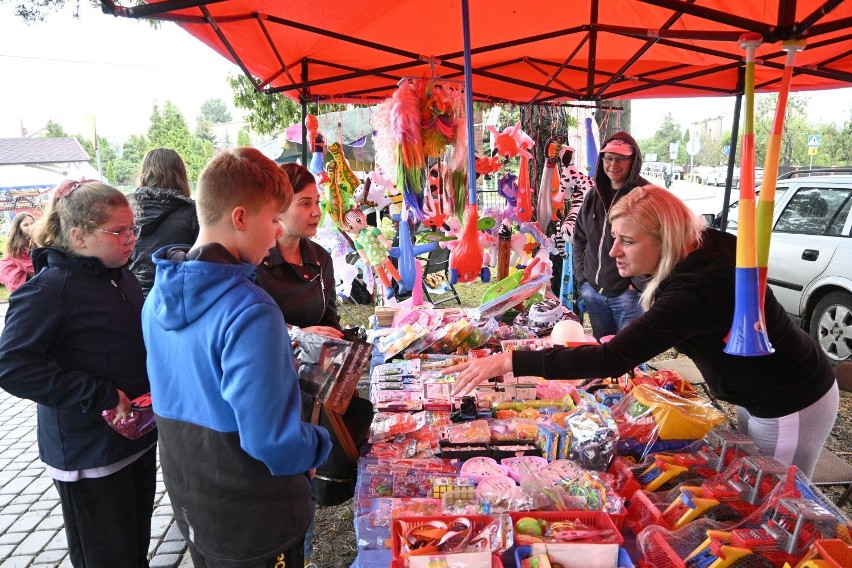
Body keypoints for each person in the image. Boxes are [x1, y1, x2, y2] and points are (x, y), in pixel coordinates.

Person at [447, 185, 838, 479]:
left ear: (665, 239)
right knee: (756, 477)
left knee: (773, 494)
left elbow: (611, 359)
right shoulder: (697, 251)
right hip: (754, 392)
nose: (614, 251)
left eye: (627, 241)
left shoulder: (697, 288)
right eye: (614, 238)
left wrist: (510, 360)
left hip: (791, 397)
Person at [142, 147, 332, 568]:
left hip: (195, 499)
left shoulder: (157, 296)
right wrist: (318, 446)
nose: (276, 232)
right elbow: (273, 441)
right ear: (240, 218)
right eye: (273, 219)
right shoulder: (250, 309)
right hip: (257, 512)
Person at [0, 180, 156, 568]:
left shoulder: (119, 274)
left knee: (135, 549)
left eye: (132, 228)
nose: (129, 239)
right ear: (78, 237)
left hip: (135, 438)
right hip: (90, 454)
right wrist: (98, 393)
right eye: (117, 231)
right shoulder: (48, 290)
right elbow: (11, 366)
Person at [573, 131, 649, 340]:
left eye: (621, 158)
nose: (614, 164)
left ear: (633, 161)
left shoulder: (645, 195)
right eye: (609, 158)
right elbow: (579, 238)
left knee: (631, 357)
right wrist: (583, 280)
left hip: (628, 296)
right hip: (593, 293)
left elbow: (662, 244)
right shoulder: (593, 194)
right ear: (602, 160)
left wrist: (637, 284)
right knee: (603, 355)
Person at [256, 162, 342, 339]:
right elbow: (250, 331)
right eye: (305, 204)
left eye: (317, 202)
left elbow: (329, 318)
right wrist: (297, 336)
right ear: (277, 208)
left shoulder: (321, 259)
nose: (317, 212)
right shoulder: (254, 261)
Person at [128, 148, 200, 297]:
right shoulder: (194, 213)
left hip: (135, 297)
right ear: (180, 175)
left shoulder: (126, 211)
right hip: (179, 299)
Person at [0, 211, 36, 292]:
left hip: (22, 270)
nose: (31, 226)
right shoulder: (16, 244)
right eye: (25, 225)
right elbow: (29, 267)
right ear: (18, 228)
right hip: (14, 274)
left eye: (32, 223)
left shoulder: (31, 237)